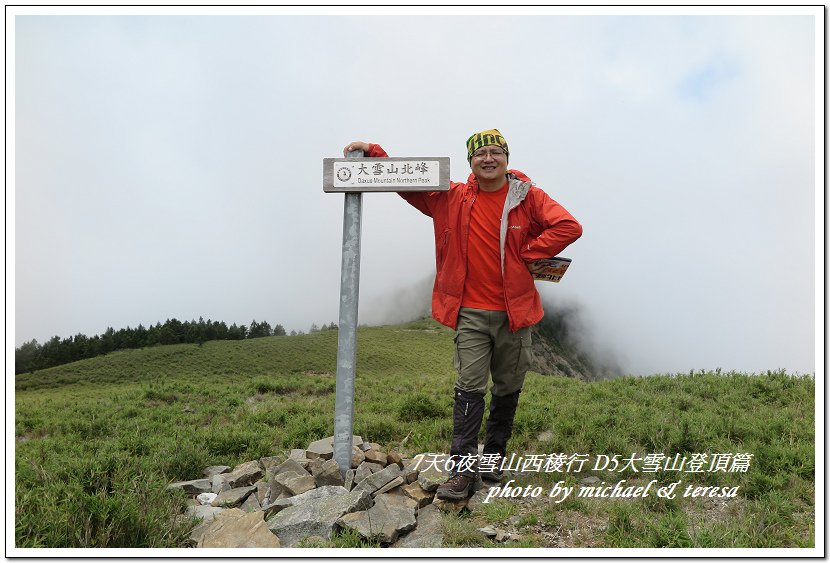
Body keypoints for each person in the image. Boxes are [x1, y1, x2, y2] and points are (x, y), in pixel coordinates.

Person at [342, 129, 582, 500]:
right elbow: (409, 184)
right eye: (480, 154)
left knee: (508, 388)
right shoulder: (452, 197)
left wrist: (530, 252)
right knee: (469, 389)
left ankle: (493, 459)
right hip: (470, 312)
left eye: (495, 152)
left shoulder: (528, 196)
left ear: (506, 157)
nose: (488, 158)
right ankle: (461, 472)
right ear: (471, 162)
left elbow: (569, 226)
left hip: (515, 314)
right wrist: (374, 153)